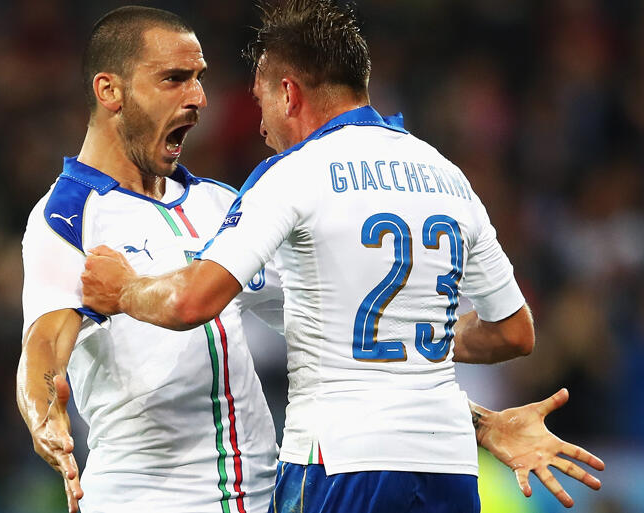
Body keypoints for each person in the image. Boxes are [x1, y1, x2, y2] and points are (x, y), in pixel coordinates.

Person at [79, 1, 604, 512]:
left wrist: (123, 289)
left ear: (289, 93)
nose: (261, 126)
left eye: (261, 100)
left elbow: (192, 301)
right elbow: (514, 332)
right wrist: (411, 335)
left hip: (337, 460)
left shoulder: (293, 173)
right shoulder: (448, 174)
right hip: (449, 463)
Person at [17, 7, 284, 513]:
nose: (199, 97)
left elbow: (313, 314)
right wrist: (43, 414)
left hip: (262, 497)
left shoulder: (222, 205)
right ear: (109, 90)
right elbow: (45, 344)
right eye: (174, 79)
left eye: (199, 78)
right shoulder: (68, 215)